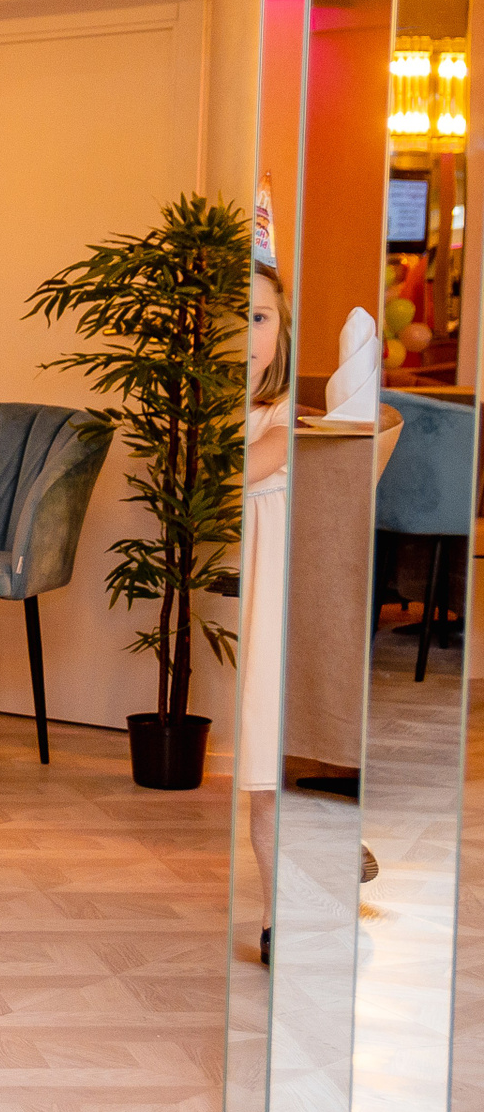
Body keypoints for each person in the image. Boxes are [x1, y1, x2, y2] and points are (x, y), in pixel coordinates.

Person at [238, 258, 292, 965]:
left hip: (271, 605)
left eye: (260, 318)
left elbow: (246, 465)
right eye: (236, 318)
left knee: (268, 774)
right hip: (234, 610)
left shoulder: (282, 419)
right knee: (260, 772)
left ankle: (282, 915)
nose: (246, 335)